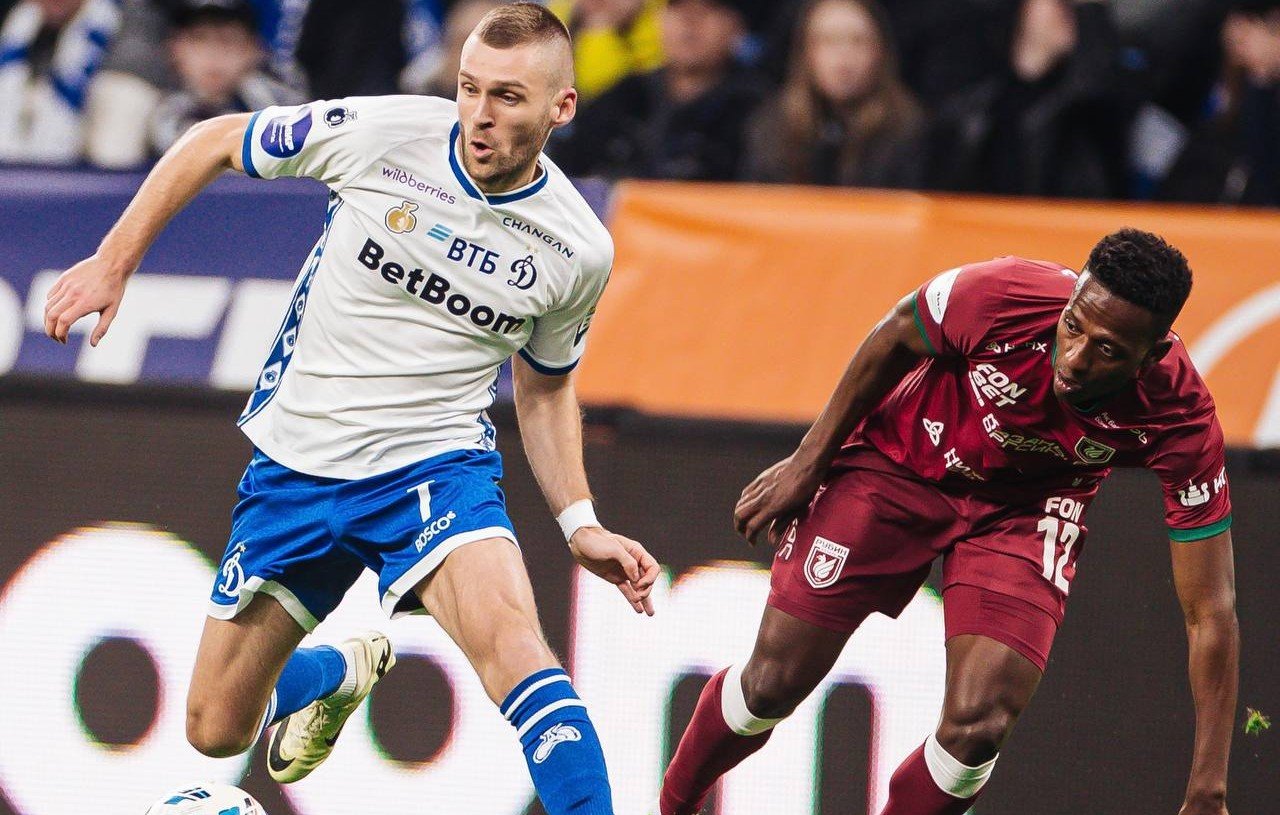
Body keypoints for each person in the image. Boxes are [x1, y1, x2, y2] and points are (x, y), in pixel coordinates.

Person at [42, 4, 659, 813]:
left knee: (516, 650)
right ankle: (338, 668)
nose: (479, 113)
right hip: (298, 463)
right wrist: (113, 262)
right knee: (215, 727)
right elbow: (215, 139)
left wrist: (580, 522)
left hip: (433, 467)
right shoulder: (388, 134)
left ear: (561, 106)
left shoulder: (576, 247)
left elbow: (543, 386)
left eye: (508, 96)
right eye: (470, 87)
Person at [657, 229, 1237, 815]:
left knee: (979, 730)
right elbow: (895, 332)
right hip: (898, 463)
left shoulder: (1182, 418)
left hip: (1028, 509)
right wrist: (810, 461)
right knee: (770, 686)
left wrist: (1207, 789)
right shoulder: (1004, 293)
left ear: (1152, 356)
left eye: (1108, 350)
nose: (1076, 358)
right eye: (1074, 326)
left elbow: (1210, 611)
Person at [548, 0, 767, 181]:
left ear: (736, 28)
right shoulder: (624, 96)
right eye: (677, 9)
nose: (690, 23)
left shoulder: (757, 107)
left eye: (708, 10)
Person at [739, 0, 925, 189]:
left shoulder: (910, 130)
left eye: (858, 41)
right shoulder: (771, 127)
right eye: (828, 41)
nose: (843, 56)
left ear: (880, 52)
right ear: (805, 53)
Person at [148, 0, 301, 156]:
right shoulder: (147, 109)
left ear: (253, 50)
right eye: (200, 38)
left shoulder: (283, 116)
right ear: (175, 48)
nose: (213, 54)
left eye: (228, 39)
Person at [0, 0, 120, 165]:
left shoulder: (116, 25)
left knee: (120, 95)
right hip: (21, 148)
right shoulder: (21, 21)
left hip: (86, 131)